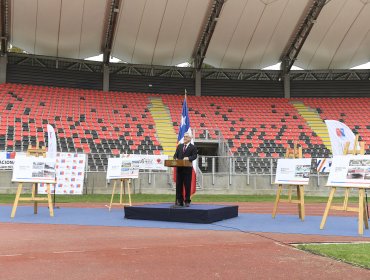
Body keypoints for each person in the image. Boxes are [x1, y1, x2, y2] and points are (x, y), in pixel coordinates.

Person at [173, 132, 197, 207]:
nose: (184, 138)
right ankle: (179, 201)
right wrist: (175, 158)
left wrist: (188, 158)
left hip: (187, 169)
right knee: (179, 185)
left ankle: (187, 201)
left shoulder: (193, 147)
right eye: (184, 136)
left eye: (186, 137)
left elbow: (194, 156)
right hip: (179, 169)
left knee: (187, 185)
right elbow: (175, 155)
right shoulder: (179, 146)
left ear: (190, 138)